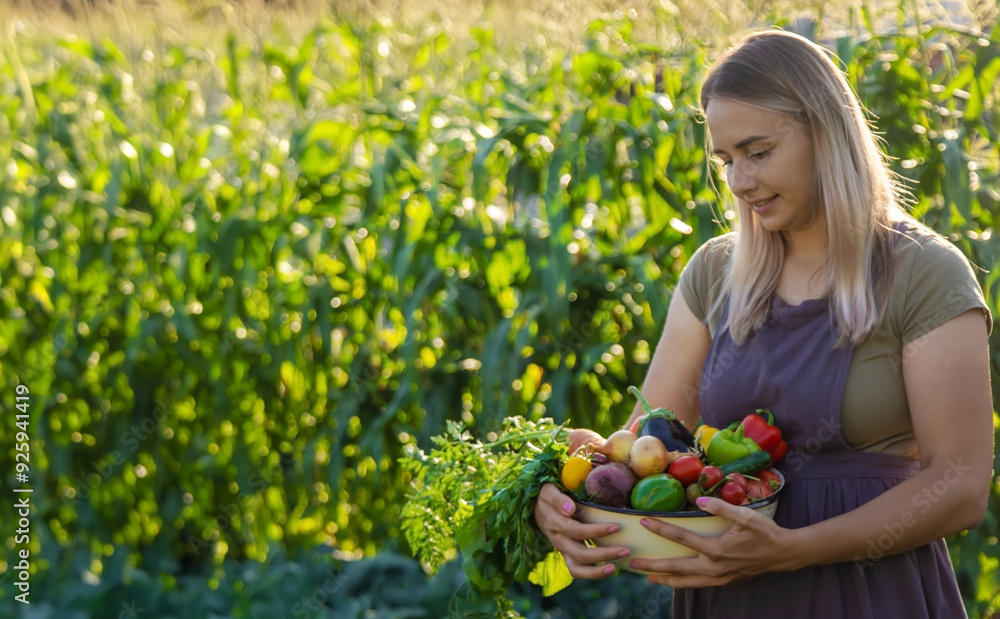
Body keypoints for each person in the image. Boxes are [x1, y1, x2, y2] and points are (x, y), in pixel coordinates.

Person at [533, 29, 994, 617]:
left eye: (758, 152)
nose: (739, 181)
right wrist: (566, 497)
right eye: (726, 160)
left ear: (826, 133)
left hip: (871, 593)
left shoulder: (923, 272)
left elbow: (959, 487)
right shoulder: (717, 273)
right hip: (729, 595)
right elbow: (643, 448)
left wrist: (792, 551)